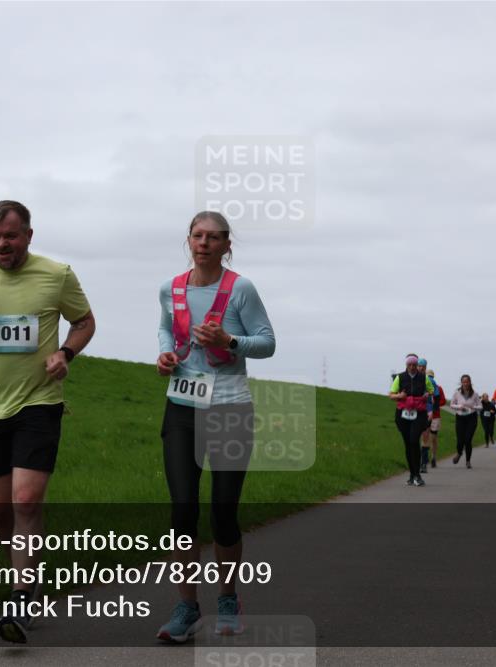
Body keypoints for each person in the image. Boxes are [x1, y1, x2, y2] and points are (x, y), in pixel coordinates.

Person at [0, 200, 96, 643]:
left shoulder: (56, 274)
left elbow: (84, 321)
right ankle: (22, 583)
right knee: (1, 508)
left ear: (28, 234)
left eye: (10, 235)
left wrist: (65, 353)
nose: (2, 244)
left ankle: (20, 600)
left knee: (26, 501)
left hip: (39, 404)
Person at [155, 211, 276, 643]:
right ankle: (186, 607)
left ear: (228, 245)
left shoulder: (241, 289)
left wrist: (230, 341)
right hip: (181, 406)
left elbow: (268, 342)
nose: (204, 243)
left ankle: (228, 596)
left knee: (223, 513)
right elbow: (167, 330)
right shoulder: (171, 288)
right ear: (188, 240)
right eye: (197, 235)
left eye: (214, 237)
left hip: (229, 408)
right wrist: (166, 355)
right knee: (182, 509)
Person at [389, 354, 435, 487]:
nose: (412, 367)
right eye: (410, 365)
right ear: (406, 365)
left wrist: (427, 394)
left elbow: (431, 391)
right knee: (408, 444)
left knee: (414, 441)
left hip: (419, 413)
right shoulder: (400, 377)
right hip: (402, 415)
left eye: (414, 365)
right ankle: (412, 474)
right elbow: (391, 395)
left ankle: (417, 475)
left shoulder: (424, 377)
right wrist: (400, 395)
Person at [451, 374, 479, 468]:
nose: (465, 383)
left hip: (472, 418)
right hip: (460, 418)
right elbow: (452, 404)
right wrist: (459, 407)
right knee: (460, 440)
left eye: (467, 382)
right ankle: (459, 453)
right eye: (464, 382)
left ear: (470, 382)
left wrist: (473, 407)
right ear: (461, 383)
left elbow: (480, 407)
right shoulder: (457, 393)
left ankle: (468, 461)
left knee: (468, 440)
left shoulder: (475, 394)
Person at [420, 368, 446, 472]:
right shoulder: (421, 387)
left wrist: (435, 403)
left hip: (435, 416)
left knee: (433, 437)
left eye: (430, 376)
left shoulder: (438, 388)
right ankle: (425, 459)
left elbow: (443, 401)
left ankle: (434, 457)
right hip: (425, 415)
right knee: (425, 436)